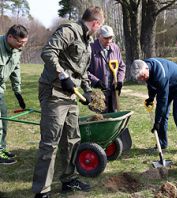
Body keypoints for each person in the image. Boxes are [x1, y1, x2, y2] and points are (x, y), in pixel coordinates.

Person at [32, 6, 104, 198]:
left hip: (71, 94)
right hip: (54, 91)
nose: (98, 30)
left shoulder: (87, 41)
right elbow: (48, 52)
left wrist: (88, 91)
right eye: (99, 26)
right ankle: (42, 191)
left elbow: (82, 70)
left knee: (72, 139)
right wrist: (62, 75)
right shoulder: (69, 31)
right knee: (50, 143)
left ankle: (68, 179)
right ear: (96, 23)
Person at [131, 58, 177, 156]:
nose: (143, 79)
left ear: (147, 69)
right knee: (163, 115)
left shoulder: (160, 74)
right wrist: (151, 98)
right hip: (167, 86)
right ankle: (162, 143)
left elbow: (162, 102)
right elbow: (151, 85)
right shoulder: (143, 67)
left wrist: (157, 122)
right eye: (140, 79)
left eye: (143, 77)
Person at [0, 25, 28, 165]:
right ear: (10, 37)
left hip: (0, 88)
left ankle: (1, 148)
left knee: (3, 118)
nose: (22, 46)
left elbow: (15, 69)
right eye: (20, 42)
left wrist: (18, 92)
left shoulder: (16, 50)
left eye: (24, 43)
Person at [88, 25, 126, 112]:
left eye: (110, 38)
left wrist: (119, 80)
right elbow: (84, 71)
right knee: (101, 117)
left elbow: (121, 66)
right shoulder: (91, 49)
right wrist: (96, 81)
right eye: (106, 38)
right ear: (99, 36)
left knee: (114, 114)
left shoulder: (115, 48)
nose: (109, 41)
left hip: (113, 91)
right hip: (99, 92)